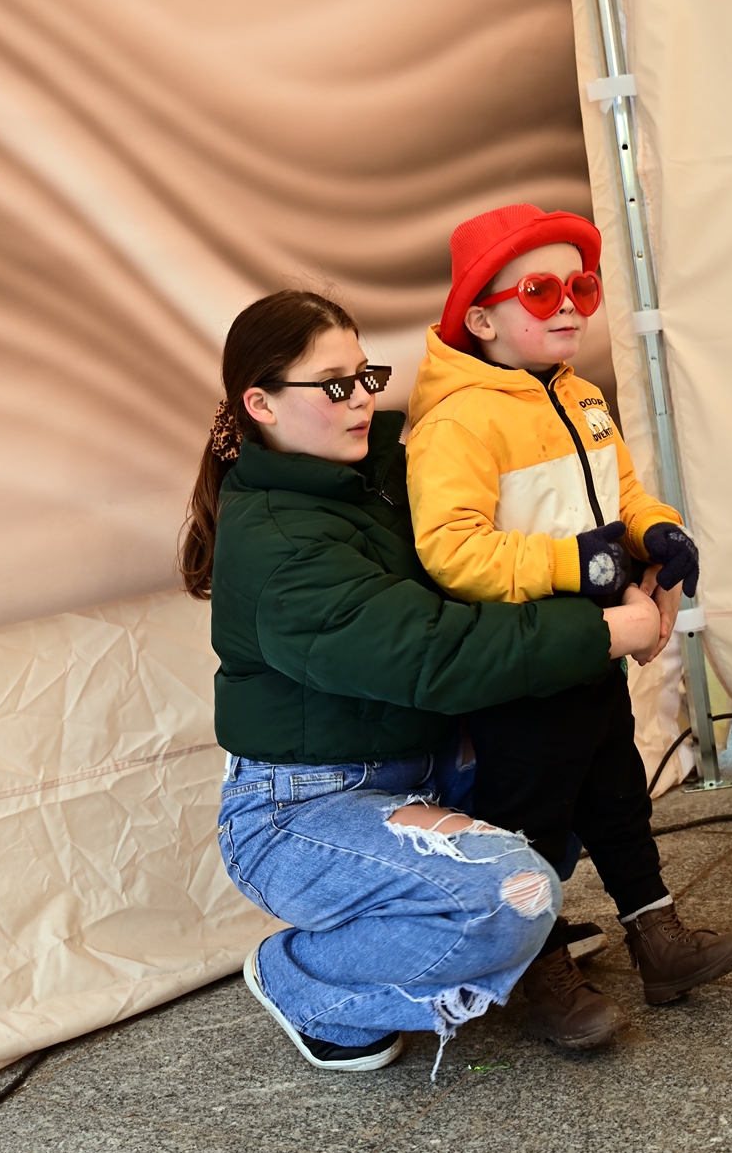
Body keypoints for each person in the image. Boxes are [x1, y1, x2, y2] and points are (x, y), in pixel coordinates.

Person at [181, 289, 662, 1075]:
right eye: (334, 385)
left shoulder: (387, 470)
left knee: (561, 750)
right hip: (303, 810)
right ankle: (304, 983)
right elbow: (436, 656)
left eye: (365, 375)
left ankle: (496, 942)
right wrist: (609, 630)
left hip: (425, 768)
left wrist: (643, 563)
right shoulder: (278, 546)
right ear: (260, 404)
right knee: (515, 894)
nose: (362, 399)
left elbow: (513, 539)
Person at [405, 205, 732, 1051]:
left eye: (583, 286)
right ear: (482, 319)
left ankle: (658, 940)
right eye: (540, 290)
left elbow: (622, 495)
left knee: (616, 794)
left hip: (594, 649)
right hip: (524, 662)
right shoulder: (458, 420)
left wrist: (657, 532)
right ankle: (537, 972)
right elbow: (451, 550)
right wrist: (583, 565)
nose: (568, 304)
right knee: (526, 818)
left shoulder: (580, 394)